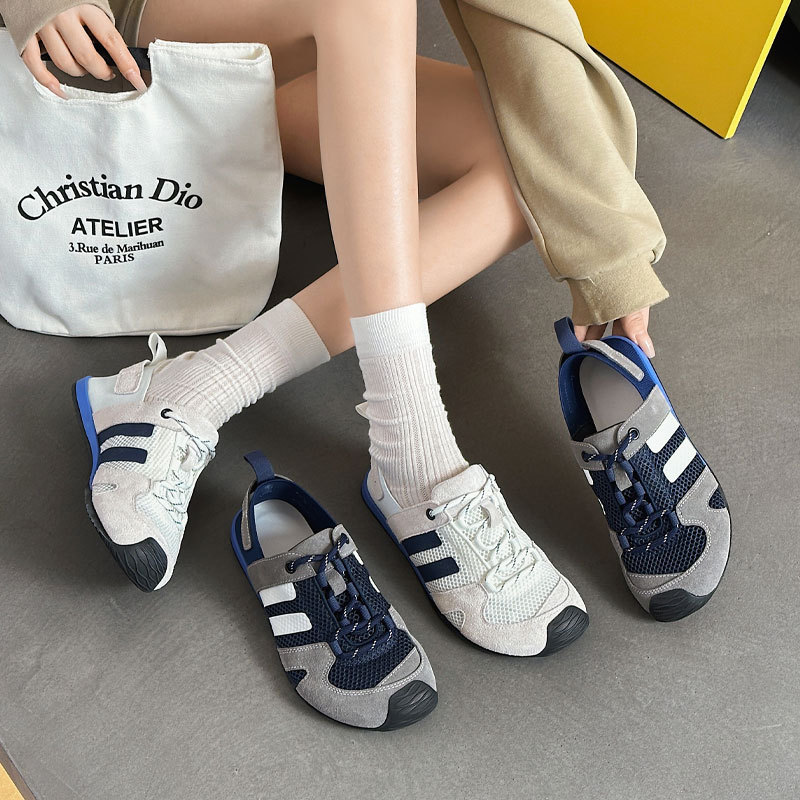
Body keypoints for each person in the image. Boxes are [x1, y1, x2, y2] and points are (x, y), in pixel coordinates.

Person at [0, 0, 670, 655]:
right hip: (126, 41)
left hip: (304, 60)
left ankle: (202, 386)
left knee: (546, 156)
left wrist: (611, 260)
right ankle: (414, 448)